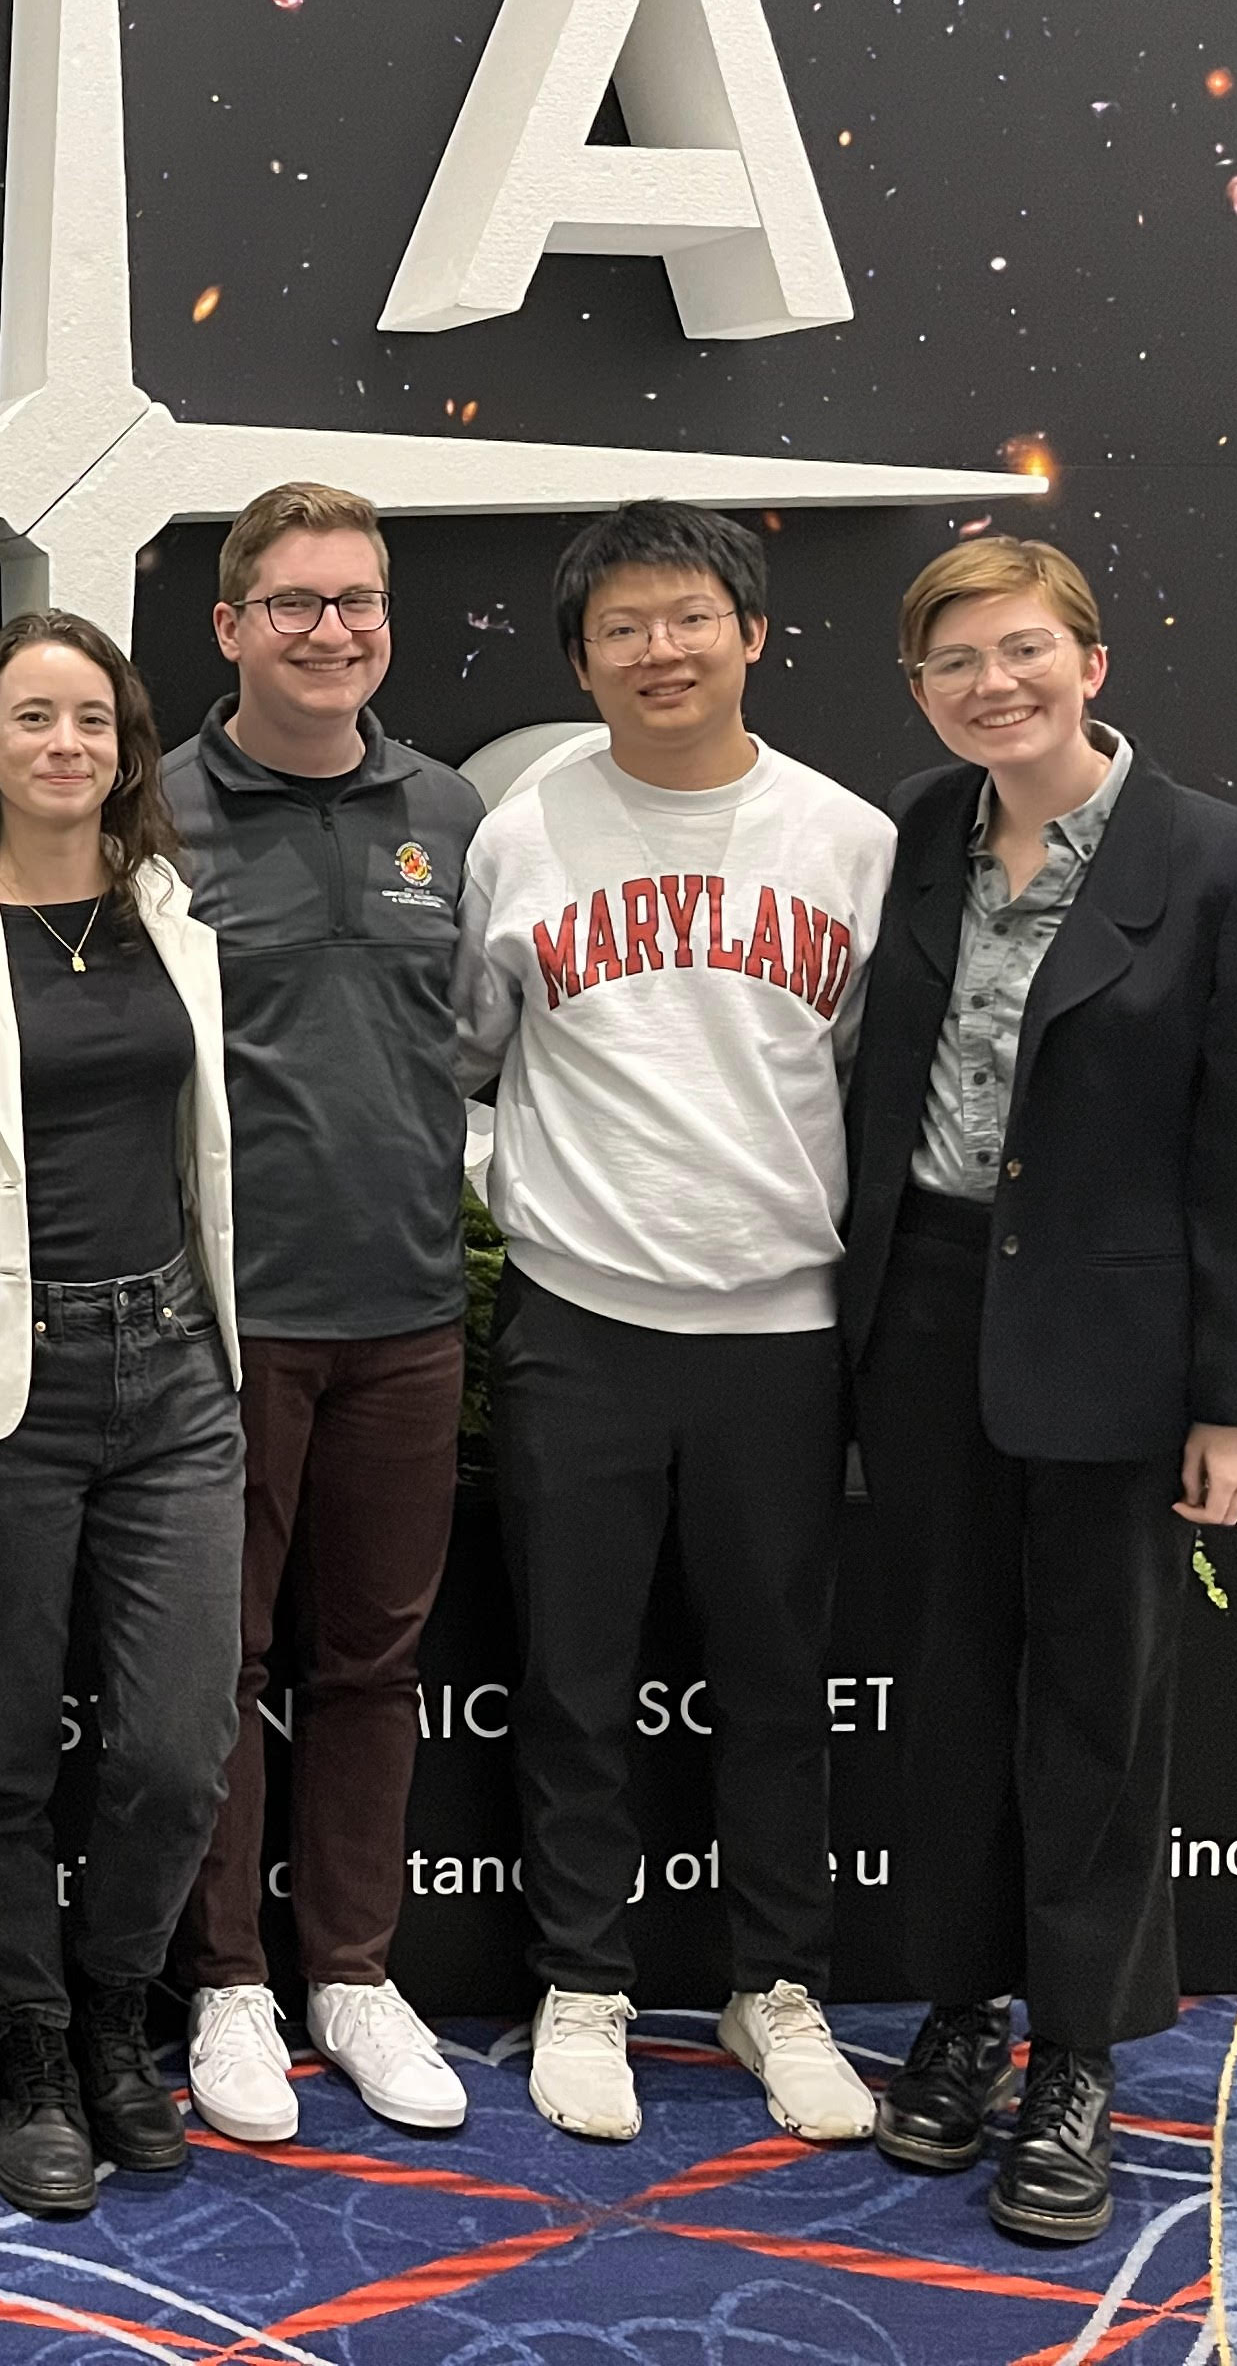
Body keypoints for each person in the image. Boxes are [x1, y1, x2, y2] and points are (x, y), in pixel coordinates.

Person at [840, 539, 1237, 2247]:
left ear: (1090, 661)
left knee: (1099, 1711)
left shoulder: (1226, 865)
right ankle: (960, 2016)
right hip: (925, 1321)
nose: (991, 685)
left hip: (1115, 1349)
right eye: (952, 661)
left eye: (1021, 651)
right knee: (949, 1688)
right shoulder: (912, 836)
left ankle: (1079, 2057)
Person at [450, 500, 892, 2148]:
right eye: (622, 627)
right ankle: (583, 1983)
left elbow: (866, 1079)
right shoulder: (525, 834)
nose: (660, 649)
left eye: (690, 616)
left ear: (754, 632)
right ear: (582, 659)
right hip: (580, 1320)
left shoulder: (848, 841)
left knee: (778, 1682)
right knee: (574, 1679)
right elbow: (474, 1057)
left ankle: (777, 1986)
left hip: (782, 1328)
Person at [0, 612, 243, 2217]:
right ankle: (30, 2046)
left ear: (128, 743)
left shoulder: (168, 906)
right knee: (5, 1753)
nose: (65, 745)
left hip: (172, 1368)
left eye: (92, 718)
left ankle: (115, 2011)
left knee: (173, 1744)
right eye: (33, 717)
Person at [162, 481, 487, 2145]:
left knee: (372, 1658)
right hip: (227, 1328)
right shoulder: (156, 816)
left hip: (409, 1314)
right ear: (229, 628)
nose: (331, 629)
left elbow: (486, 1046)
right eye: (293, 602)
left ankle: (351, 1970)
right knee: (216, 1663)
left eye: (356, 600)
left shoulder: (446, 807)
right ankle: (227, 1984)